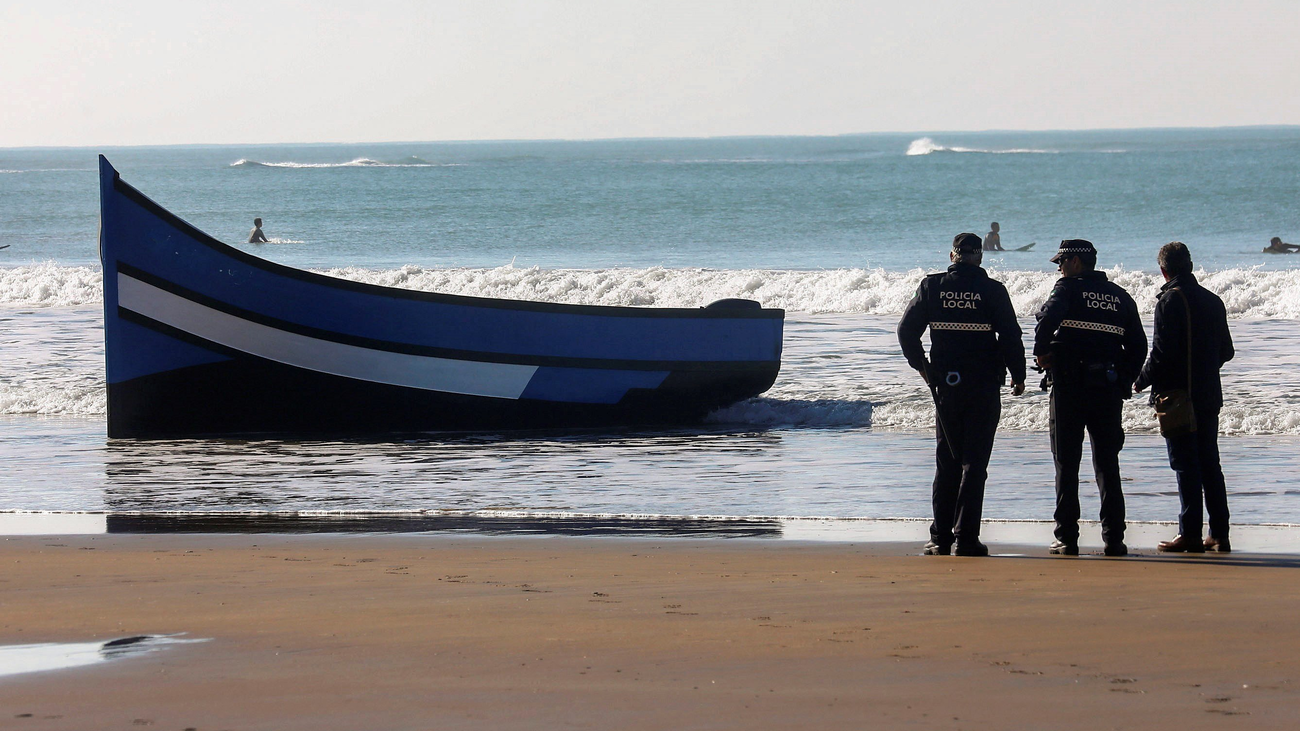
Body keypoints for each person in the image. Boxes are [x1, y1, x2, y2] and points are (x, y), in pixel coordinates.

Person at [898, 233, 1026, 557]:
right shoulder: (993, 291)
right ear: (979, 257)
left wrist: (922, 366)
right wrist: (1019, 376)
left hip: (947, 387)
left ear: (952, 255)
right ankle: (966, 538)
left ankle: (940, 538)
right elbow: (1011, 336)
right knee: (975, 464)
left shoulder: (932, 287)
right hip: (983, 387)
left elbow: (905, 330)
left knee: (947, 462)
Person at [1034, 239, 1146, 557]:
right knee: (1107, 465)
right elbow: (1139, 347)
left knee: (1066, 465)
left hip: (1069, 388)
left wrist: (1042, 355)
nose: (1058, 267)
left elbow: (1044, 324)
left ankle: (1067, 537)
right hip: (1107, 391)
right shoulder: (1120, 297)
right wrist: (1123, 382)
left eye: (1062, 261)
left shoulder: (1066, 289)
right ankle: (1114, 538)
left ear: (1076, 263)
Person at [1135, 242, 1235, 553]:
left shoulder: (1169, 300)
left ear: (1163, 270)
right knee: (1210, 464)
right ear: (1189, 265)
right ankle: (1219, 533)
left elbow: (1161, 354)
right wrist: (1204, 367)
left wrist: (1139, 381)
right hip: (1208, 394)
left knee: (1185, 465)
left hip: (1177, 398)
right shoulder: (1213, 300)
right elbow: (1227, 352)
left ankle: (1190, 533)